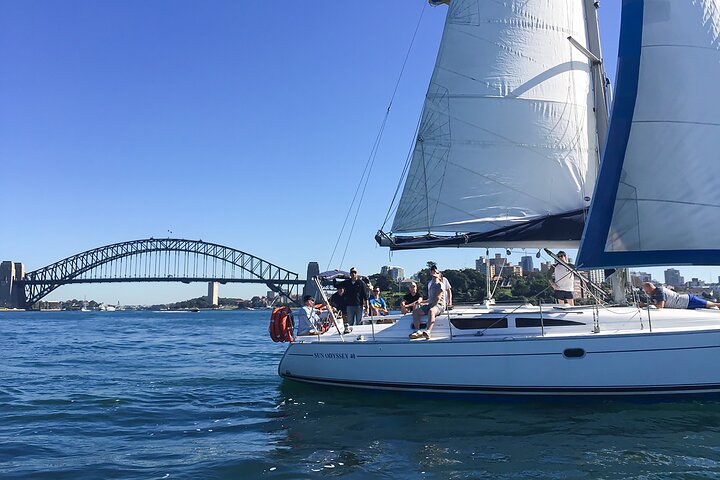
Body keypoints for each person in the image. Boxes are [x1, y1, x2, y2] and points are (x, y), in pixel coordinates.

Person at [410, 268, 446, 340]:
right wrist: (422, 302)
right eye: (433, 271)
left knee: (431, 311)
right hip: (431, 304)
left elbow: (438, 298)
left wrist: (431, 306)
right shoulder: (431, 285)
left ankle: (428, 331)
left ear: (439, 276)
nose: (434, 272)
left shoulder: (440, 284)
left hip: (439, 305)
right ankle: (418, 331)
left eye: (436, 272)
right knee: (416, 312)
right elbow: (430, 299)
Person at [333, 267, 369, 333]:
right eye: (352, 272)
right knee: (350, 323)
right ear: (350, 274)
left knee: (359, 322)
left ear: (357, 274)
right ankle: (349, 335)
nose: (353, 274)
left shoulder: (361, 283)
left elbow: (365, 296)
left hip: (359, 306)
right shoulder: (347, 282)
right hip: (349, 306)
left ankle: (359, 334)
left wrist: (367, 307)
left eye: (355, 272)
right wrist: (334, 276)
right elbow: (337, 285)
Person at [640, 282, 720, 309]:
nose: (646, 293)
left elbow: (660, 306)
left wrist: (645, 304)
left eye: (647, 291)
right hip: (685, 301)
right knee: (709, 304)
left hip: (687, 301)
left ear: (651, 289)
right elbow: (654, 304)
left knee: (711, 305)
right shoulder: (653, 294)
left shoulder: (659, 291)